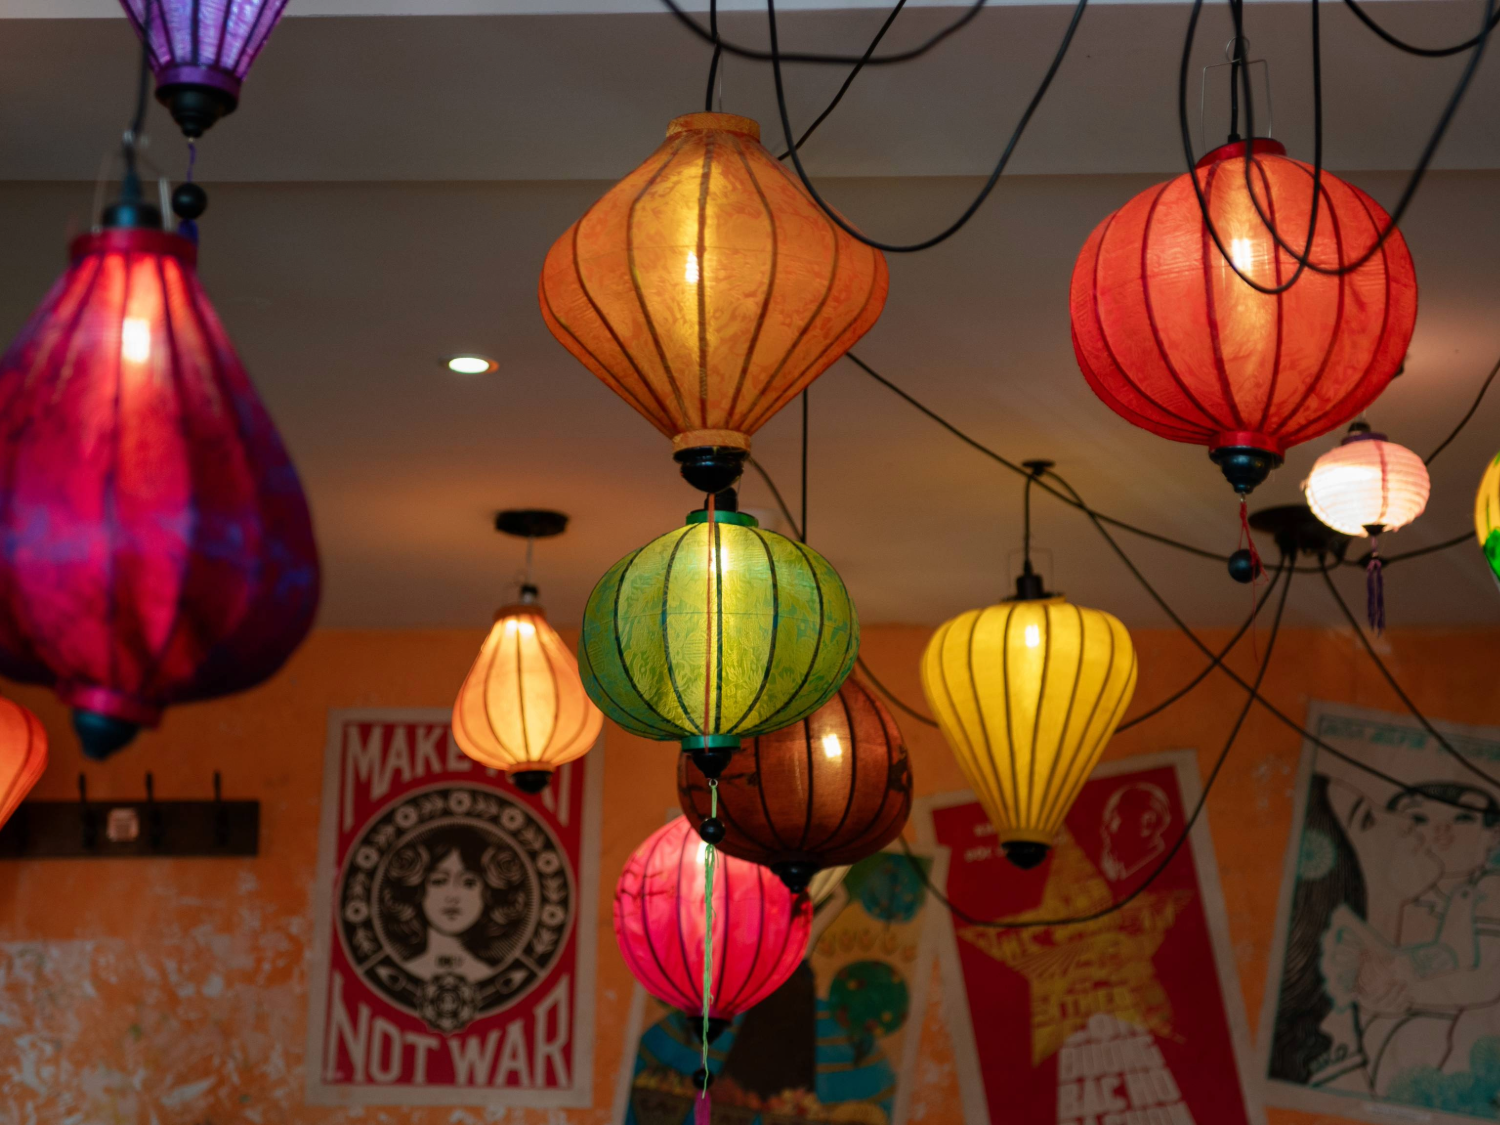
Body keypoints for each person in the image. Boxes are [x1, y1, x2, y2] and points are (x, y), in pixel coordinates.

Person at [380, 826, 532, 982]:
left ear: (488, 893)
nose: (453, 896)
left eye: (468, 883)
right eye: (439, 881)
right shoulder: (395, 975)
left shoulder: (493, 974)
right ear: (418, 889)